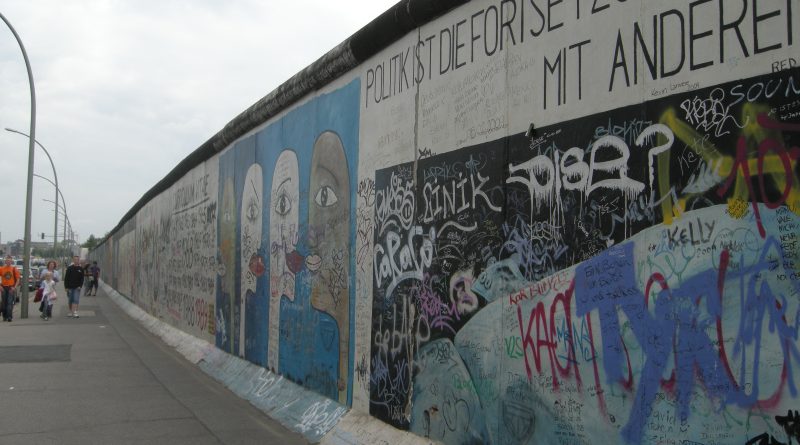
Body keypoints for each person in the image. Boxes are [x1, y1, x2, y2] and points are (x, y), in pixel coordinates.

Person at [0, 255, 21, 322]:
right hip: (3, 287)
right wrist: (0, 286)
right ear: (5, 261)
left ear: (11, 261)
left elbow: (18, 280)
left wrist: (14, 287)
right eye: (7, 260)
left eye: (10, 260)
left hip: (11, 287)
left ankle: (9, 317)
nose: (8, 261)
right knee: (3, 303)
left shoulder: (14, 269)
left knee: (9, 302)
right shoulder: (1, 268)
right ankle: (4, 316)